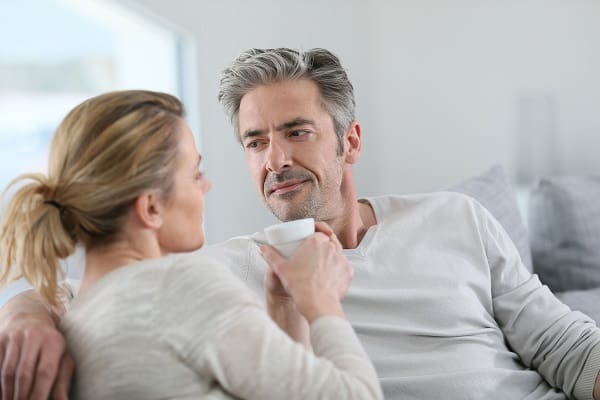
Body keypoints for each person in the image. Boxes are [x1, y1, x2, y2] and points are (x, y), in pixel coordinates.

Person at [2, 47, 600, 399]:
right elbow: (100, 292)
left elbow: (563, 343)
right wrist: (23, 314)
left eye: (296, 132)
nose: (275, 160)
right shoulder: (229, 269)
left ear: (351, 141)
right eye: (254, 141)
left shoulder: (456, 217)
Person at [0, 90, 382, 400]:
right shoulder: (177, 287)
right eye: (195, 173)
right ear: (151, 207)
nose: (206, 186)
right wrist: (321, 300)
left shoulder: (81, 312)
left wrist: (284, 304)